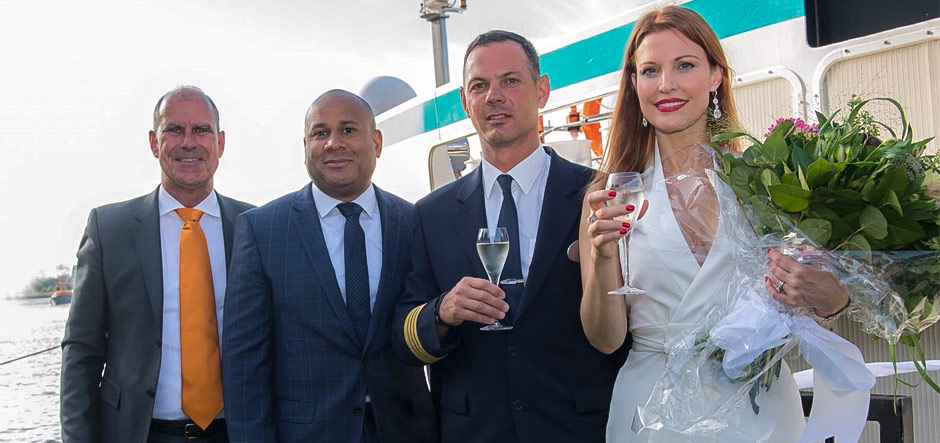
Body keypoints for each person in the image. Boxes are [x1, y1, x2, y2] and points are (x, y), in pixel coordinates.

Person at [578, 6, 851, 442]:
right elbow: (605, 340)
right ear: (635, 84)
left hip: (761, 409)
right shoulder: (610, 196)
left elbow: (820, 300)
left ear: (716, 76)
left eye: (685, 65)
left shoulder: (768, 181)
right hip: (653, 413)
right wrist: (603, 254)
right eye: (650, 70)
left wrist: (832, 298)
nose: (666, 84)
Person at [394, 30, 624, 443]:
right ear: (465, 102)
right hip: (474, 431)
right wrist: (443, 311)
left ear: (542, 90)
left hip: (578, 429)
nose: (493, 97)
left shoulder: (594, 193)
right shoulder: (430, 214)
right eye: (479, 86)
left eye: (510, 81)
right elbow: (405, 340)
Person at [221, 90, 436, 443]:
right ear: (306, 145)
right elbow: (244, 363)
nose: (334, 143)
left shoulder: (414, 222)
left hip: (405, 430)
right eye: (320, 133)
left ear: (376, 142)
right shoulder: (262, 230)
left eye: (348, 130)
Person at [60, 86, 254, 443]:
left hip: (236, 433)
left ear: (220, 142)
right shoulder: (109, 230)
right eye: (174, 130)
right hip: (139, 433)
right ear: (154, 142)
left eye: (201, 130)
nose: (188, 142)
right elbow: (81, 351)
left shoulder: (254, 227)